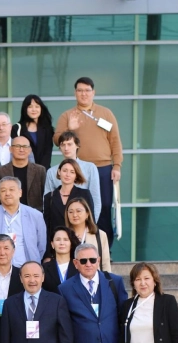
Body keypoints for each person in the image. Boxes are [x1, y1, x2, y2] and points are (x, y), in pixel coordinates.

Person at [53, 77, 123, 247]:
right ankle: (78, 246)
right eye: (80, 90)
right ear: (75, 93)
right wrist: (70, 128)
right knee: (78, 208)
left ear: (93, 92)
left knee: (104, 207)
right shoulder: (67, 115)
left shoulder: (105, 113)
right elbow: (56, 140)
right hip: (78, 168)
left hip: (103, 168)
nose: (83, 94)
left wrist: (116, 165)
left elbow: (115, 140)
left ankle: (104, 249)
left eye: (87, 90)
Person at [0, 177, 47, 267]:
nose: (7, 193)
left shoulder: (35, 215)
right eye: (3, 190)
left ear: (20, 192)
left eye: (11, 190)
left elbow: (41, 246)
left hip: (26, 268)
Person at [0, 112, 37, 198]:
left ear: (10, 127)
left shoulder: (23, 147)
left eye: (4, 124)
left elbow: (32, 172)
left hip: (19, 196)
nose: (1, 128)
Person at [45, 131, 102, 221]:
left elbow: (96, 200)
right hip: (59, 221)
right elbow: (47, 201)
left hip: (83, 221)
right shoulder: (52, 172)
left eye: (69, 144)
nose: (66, 148)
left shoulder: (90, 168)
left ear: (77, 145)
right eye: (63, 145)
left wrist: (91, 224)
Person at [43, 159, 95, 246]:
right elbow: (46, 226)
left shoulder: (84, 194)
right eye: (65, 171)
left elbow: (91, 221)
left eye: (72, 172)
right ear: (59, 172)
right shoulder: (49, 197)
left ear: (76, 175)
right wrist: (49, 250)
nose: (67, 175)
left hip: (80, 243)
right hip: (59, 244)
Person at [0, 136, 46, 211]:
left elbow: (45, 195)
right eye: (17, 146)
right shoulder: (1, 171)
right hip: (8, 213)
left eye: (25, 146)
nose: (21, 149)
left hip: (34, 213)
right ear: (10, 149)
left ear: (30, 150)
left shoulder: (40, 170)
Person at [65, 197, 112, 272]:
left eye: (78, 211)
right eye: (70, 212)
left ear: (87, 213)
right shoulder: (63, 235)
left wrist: (107, 278)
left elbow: (105, 263)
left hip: (93, 277)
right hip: (70, 277)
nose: (74, 215)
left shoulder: (100, 235)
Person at [11, 95, 54, 168]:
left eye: (37, 106)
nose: (34, 110)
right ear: (25, 109)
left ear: (41, 109)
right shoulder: (17, 129)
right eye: (30, 107)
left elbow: (47, 154)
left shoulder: (47, 129)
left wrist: (41, 171)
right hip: (22, 169)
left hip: (43, 170)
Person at [42, 227, 79, 294]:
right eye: (58, 239)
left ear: (71, 243)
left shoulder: (79, 267)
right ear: (52, 244)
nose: (62, 243)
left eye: (65, 239)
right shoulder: (44, 268)